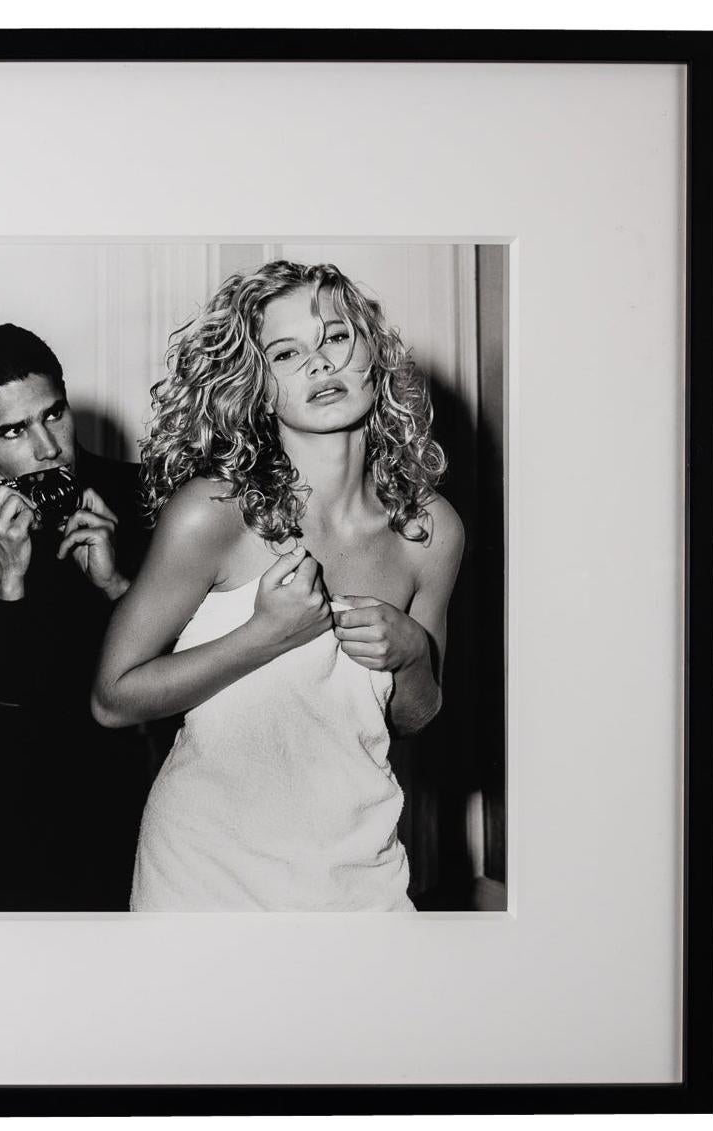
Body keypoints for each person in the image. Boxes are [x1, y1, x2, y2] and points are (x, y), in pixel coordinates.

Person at [91, 261, 464, 911]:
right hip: (206, 876)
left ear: (374, 354)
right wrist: (263, 635)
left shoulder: (428, 531)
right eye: (286, 353)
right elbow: (113, 699)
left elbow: (415, 717)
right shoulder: (213, 514)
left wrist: (412, 654)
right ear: (257, 387)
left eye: (336, 337)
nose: (320, 363)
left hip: (360, 875)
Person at [0, 323, 153, 911]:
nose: (48, 448)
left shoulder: (157, 504)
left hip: (142, 836)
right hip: (7, 861)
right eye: (13, 430)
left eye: (54, 415)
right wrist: (3, 585)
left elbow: (199, 699)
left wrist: (117, 589)